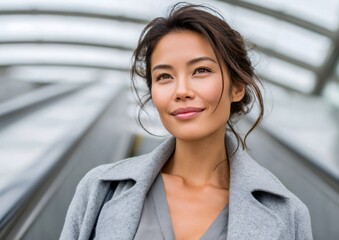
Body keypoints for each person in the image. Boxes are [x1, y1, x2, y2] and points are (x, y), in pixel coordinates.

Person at [60, 3, 312, 240]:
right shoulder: (99, 189)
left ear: (237, 88)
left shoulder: (287, 213)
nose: (181, 90)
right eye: (164, 76)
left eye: (201, 70)